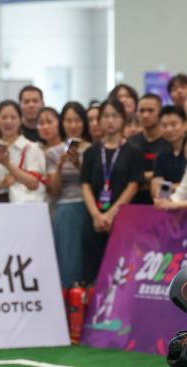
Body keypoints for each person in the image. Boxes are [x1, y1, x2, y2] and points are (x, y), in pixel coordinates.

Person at [80, 98, 144, 282]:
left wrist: (110, 214)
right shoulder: (91, 152)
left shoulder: (133, 151)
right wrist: (96, 215)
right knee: (93, 269)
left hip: (121, 218)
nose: (110, 121)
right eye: (106, 116)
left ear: (123, 119)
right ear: (99, 120)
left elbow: (133, 185)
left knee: (120, 270)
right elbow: (85, 184)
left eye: (115, 116)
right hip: (94, 219)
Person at [45, 102, 92, 288]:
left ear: (84, 122)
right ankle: (69, 296)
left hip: (89, 206)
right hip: (65, 208)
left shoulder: (93, 150)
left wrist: (79, 164)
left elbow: (94, 183)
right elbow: (54, 191)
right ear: (62, 123)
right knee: (67, 260)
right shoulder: (53, 153)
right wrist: (59, 167)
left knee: (88, 260)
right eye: (68, 121)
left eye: (77, 120)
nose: (73, 125)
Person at [0, 100, 44, 204]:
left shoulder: (31, 148)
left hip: (24, 205)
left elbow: (34, 183)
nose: (8, 122)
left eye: (13, 117)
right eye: (4, 118)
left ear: (20, 120)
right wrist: (1, 184)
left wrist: (6, 164)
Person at [128, 94, 172, 204]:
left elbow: (171, 175)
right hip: (134, 201)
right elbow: (127, 176)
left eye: (150, 111)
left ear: (160, 113)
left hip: (164, 200)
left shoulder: (170, 141)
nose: (145, 115)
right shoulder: (131, 143)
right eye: (141, 111)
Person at [152, 105, 187, 196]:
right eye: (164, 125)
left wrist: (168, 188)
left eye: (173, 125)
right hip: (169, 200)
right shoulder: (161, 154)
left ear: (185, 125)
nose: (169, 129)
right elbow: (156, 183)